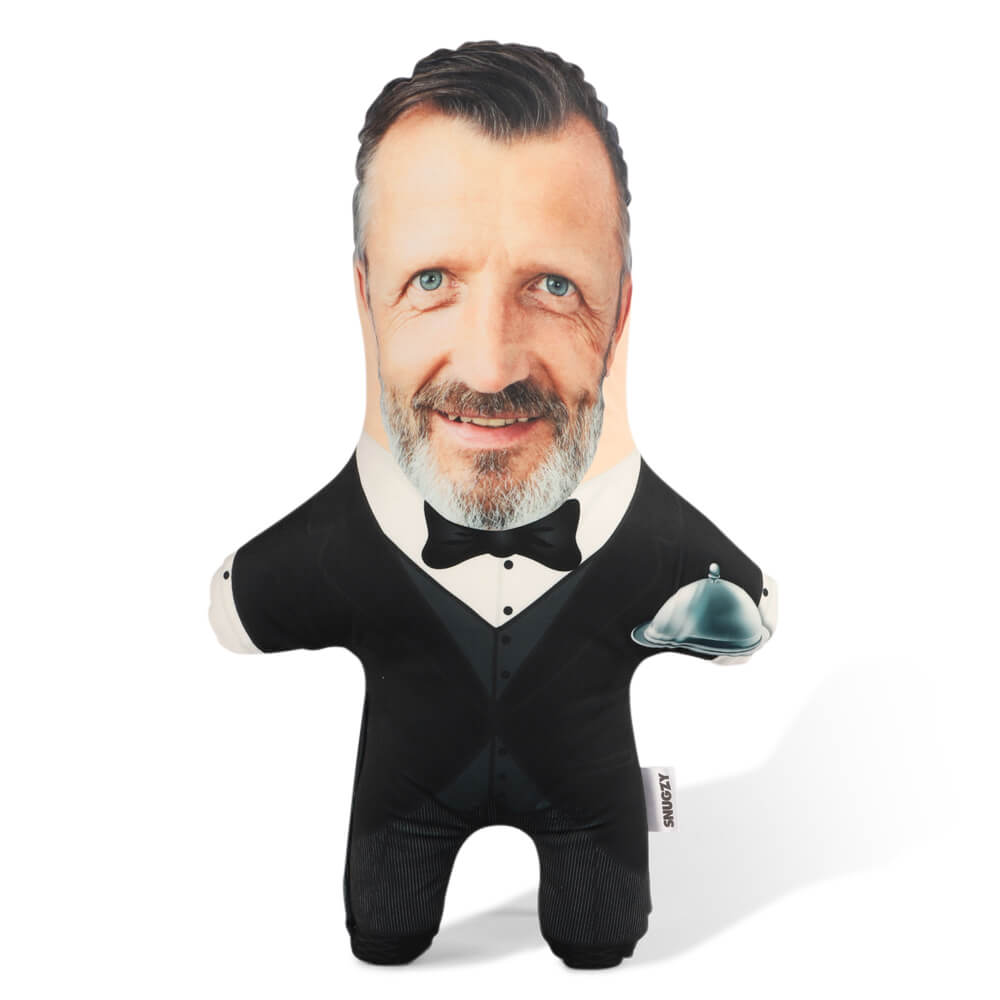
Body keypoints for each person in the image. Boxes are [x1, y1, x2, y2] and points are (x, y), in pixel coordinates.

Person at [209, 40, 778, 968]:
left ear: (620, 313)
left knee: (601, 932)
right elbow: (238, 610)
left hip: (594, 808)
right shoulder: (341, 542)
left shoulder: (653, 538)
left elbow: (751, 615)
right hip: (401, 805)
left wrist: (733, 621)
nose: (488, 368)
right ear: (365, 299)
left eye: (554, 286)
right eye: (432, 282)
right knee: (384, 925)